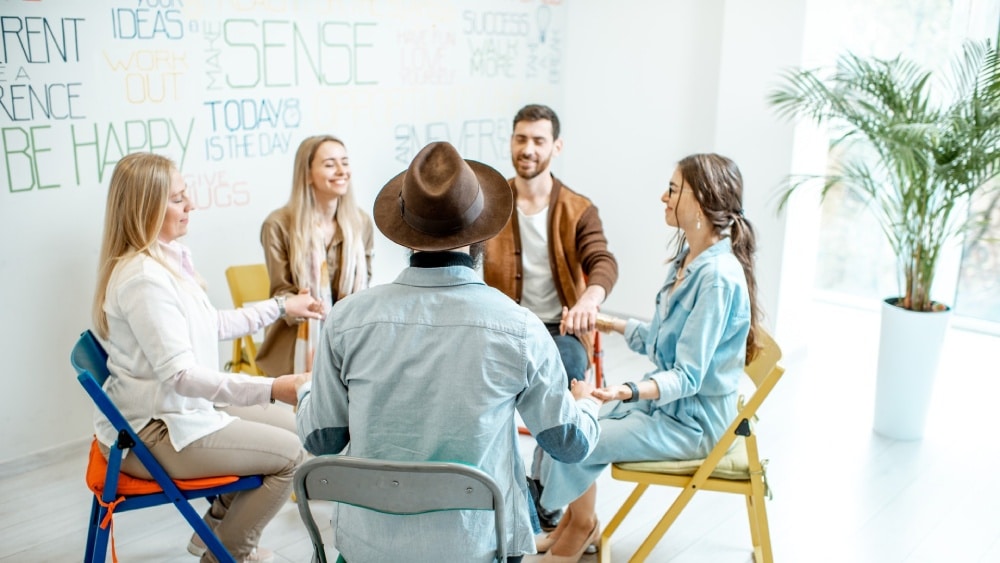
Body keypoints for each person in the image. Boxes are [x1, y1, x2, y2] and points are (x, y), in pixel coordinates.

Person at [295, 141, 604, 563]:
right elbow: (568, 444)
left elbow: (322, 440)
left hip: (367, 550)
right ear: (482, 235)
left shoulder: (347, 320)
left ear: (406, 232)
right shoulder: (518, 327)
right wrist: (586, 405)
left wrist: (305, 392)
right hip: (478, 548)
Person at [526, 153, 763, 563]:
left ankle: (579, 528)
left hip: (694, 424)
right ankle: (576, 524)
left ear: (701, 201)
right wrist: (607, 322)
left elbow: (687, 377)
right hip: (671, 409)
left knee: (581, 436)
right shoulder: (690, 259)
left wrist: (624, 391)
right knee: (574, 423)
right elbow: (661, 340)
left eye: (672, 190)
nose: (663, 197)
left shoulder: (717, 279)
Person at [91, 152, 322, 563]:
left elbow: (211, 323)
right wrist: (273, 387)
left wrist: (281, 306)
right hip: (154, 433)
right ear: (147, 207)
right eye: (178, 198)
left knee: (299, 428)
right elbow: (181, 376)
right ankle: (228, 554)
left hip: (178, 411)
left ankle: (213, 533)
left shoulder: (165, 259)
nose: (191, 205)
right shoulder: (144, 280)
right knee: (290, 455)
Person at [483, 103, 618, 530]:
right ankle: (492, 481)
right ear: (511, 141)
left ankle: (542, 491)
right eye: (521, 139)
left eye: (538, 141)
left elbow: (602, 260)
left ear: (556, 147)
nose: (528, 149)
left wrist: (589, 299)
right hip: (502, 326)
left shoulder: (578, 208)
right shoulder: (492, 202)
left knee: (564, 375)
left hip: (560, 328)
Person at [256, 134, 375, 376]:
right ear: (307, 174)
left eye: (345, 162)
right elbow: (282, 293)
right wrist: (305, 305)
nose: (341, 171)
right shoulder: (277, 225)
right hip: (296, 345)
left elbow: (365, 288)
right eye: (330, 164)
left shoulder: (361, 222)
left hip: (351, 341)